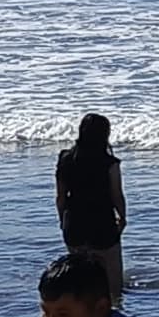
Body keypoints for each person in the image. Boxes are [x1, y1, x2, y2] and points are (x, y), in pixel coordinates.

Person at [56, 114, 128, 291]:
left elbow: (60, 197)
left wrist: (62, 220)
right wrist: (123, 218)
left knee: (81, 281)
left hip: (74, 223)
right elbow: (117, 195)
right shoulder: (110, 163)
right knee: (113, 285)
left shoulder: (66, 159)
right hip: (102, 223)